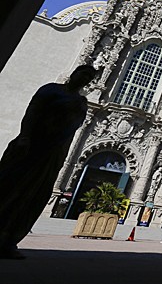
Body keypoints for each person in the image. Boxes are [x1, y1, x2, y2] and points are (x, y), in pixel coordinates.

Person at [0, 64, 97, 259]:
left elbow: (71, 132)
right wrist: (25, 137)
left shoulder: (81, 103)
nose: (84, 78)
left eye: (89, 76)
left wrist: (61, 157)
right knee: (8, 187)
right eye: (82, 73)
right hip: (30, 146)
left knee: (32, 195)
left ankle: (9, 240)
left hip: (52, 153)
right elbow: (32, 113)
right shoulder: (51, 89)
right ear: (74, 72)